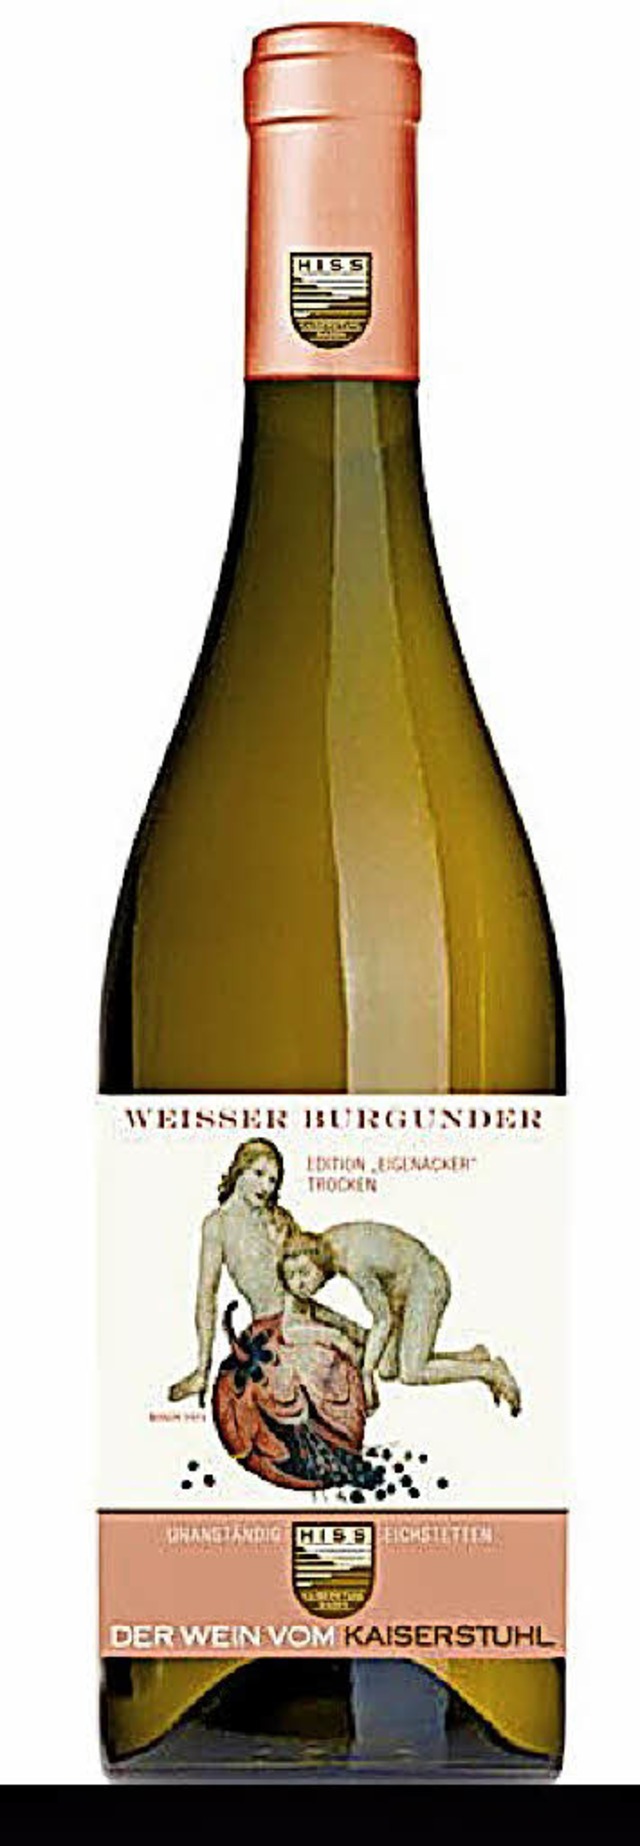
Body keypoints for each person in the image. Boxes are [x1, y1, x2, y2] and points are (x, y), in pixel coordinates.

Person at [279, 1223, 521, 1416]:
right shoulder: (322, 1244)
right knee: (387, 1369)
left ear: (317, 1259)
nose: (300, 1283)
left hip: (425, 1283)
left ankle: (488, 1370)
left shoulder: (353, 1261)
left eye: (304, 1273)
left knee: (412, 1372)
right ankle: (471, 1357)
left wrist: (366, 1375)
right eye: (292, 1276)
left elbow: (382, 1319)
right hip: (399, 1294)